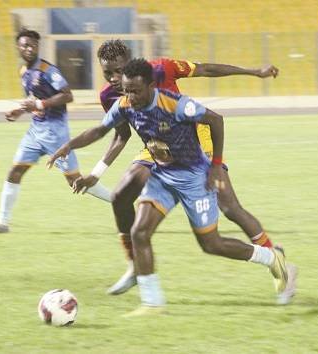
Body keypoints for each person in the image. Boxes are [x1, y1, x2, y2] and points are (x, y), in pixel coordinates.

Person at [48, 58, 293, 316]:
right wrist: (69, 146)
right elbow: (100, 130)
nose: (130, 96)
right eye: (127, 90)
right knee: (140, 232)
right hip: (162, 176)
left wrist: (216, 165)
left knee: (211, 244)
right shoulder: (124, 104)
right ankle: (153, 303)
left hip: (194, 178)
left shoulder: (176, 105)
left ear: (151, 85)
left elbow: (216, 120)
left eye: (136, 91)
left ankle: (272, 258)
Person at [0, 29, 111, 234]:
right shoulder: (23, 71)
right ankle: (2, 223)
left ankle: (119, 199)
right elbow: (33, 100)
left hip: (55, 132)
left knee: (75, 181)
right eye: (24, 45)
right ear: (18, 48)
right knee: (15, 171)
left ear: (38, 47)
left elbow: (67, 96)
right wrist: (19, 111)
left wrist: (39, 104)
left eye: (32, 45)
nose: (28, 48)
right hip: (35, 131)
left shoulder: (48, 70)